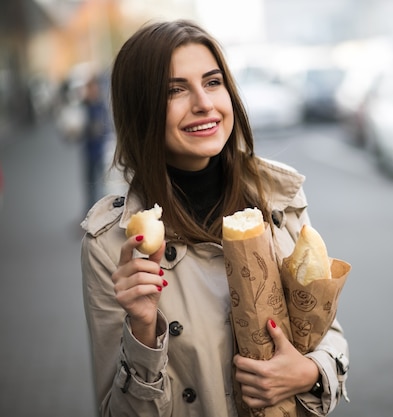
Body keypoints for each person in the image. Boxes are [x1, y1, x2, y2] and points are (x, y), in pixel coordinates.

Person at [80, 19, 349, 416]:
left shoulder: (277, 196)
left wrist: (308, 371)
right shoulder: (110, 244)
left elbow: (329, 332)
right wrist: (142, 330)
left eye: (212, 82)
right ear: (141, 108)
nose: (204, 103)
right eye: (175, 90)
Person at [81, 75, 111, 213]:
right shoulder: (85, 106)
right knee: (89, 185)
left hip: (100, 151)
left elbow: (104, 127)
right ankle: (90, 214)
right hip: (89, 152)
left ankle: (103, 213)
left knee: (103, 185)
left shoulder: (100, 105)